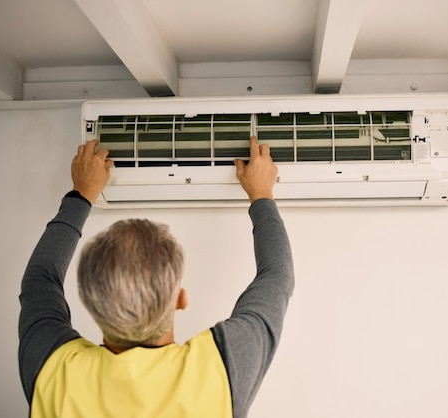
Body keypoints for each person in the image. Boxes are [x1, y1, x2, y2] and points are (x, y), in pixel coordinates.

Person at [18, 136, 294, 418]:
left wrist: (81, 194)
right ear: (180, 298)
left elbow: (40, 279)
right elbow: (277, 276)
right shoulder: (223, 367)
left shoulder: (53, 368)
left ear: (90, 303)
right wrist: (261, 192)